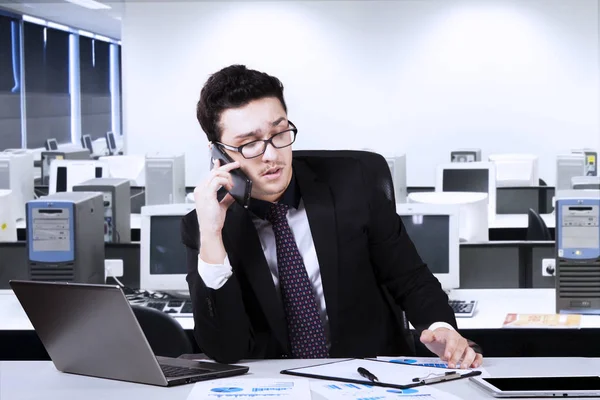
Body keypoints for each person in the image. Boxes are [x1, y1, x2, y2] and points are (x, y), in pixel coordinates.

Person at [181, 64, 483, 368]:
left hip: (368, 378)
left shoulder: (354, 182)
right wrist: (211, 237)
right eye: (249, 144)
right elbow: (225, 349)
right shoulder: (207, 226)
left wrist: (440, 328)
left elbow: (409, 279)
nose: (271, 155)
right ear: (218, 153)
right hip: (277, 385)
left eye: (279, 132)